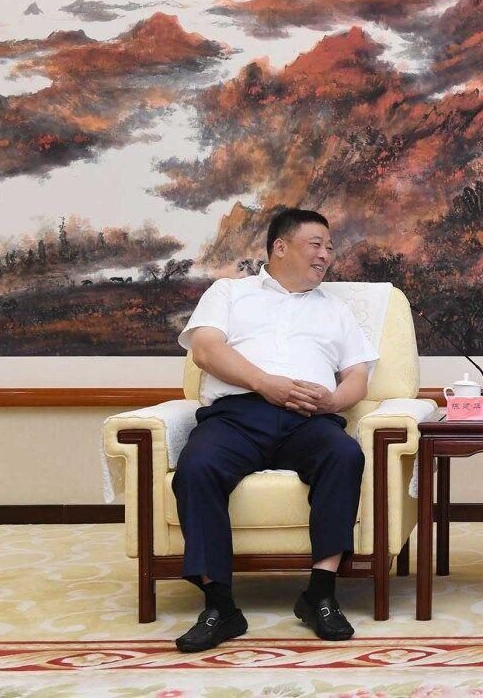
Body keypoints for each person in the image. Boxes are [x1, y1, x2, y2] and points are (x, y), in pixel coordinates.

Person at [170, 207, 378, 652]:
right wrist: (266, 384)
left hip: (310, 418)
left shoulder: (336, 310)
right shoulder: (230, 292)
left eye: (329, 248)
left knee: (344, 454)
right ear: (279, 247)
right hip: (237, 416)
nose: (325, 255)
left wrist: (332, 401)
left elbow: (357, 377)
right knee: (197, 466)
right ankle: (220, 606)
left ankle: (320, 595)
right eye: (315, 245)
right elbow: (205, 350)